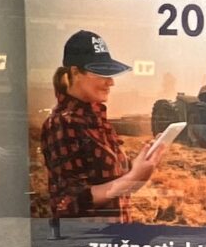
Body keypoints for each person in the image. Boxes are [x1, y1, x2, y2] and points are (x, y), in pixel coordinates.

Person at [37, 31, 160, 222]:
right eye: (101, 73)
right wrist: (132, 178)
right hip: (88, 238)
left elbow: (115, 187)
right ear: (75, 73)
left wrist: (139, 168)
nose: (111, 82)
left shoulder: (95, 121)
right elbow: (69, 202)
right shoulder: (62, 124)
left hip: (114, 236)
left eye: (110, 74)